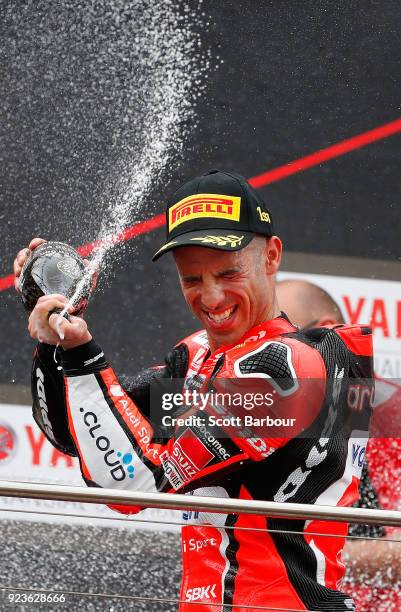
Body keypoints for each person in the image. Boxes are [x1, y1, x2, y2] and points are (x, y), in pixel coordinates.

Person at [14, 170, 374, 611]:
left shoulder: (287, 369)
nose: (212, 297)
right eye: (192, 279)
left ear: (271, 256)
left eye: (228, 273)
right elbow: (79, 435)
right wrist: (52, 338)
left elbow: (133, 485)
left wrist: (80, 352)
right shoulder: (200, 358)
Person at [277, 278, 401, 609]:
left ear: (328, 334)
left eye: (281, 341)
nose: (264, 357)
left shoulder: (390, 408)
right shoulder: (273, 413)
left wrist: (279, 552)